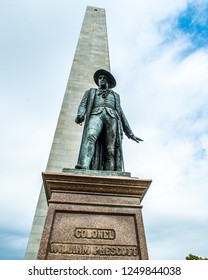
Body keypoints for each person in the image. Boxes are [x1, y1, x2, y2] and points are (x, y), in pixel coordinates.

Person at [75, 69, 142, 171]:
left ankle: (110, 171)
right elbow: (83, 105)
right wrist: (80, 114)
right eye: (100, 78)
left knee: (110, 148)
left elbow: (121, 114)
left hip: (112, 118)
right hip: (95, 115)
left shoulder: (115, 96)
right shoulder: (91, 92)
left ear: (109, 82)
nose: (101, 80)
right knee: (90, 136)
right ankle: (84, 165)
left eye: (104, 78)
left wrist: (130, 133)